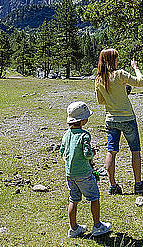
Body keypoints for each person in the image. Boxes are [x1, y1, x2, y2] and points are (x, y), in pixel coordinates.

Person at [95, 48, 143, 195]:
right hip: (127, 118)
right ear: (113, 60)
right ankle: (138, 184)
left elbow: (101, 101)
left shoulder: (99, 78)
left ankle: (113, 186)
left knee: (111, 151)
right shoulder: (120, 74)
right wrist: (136, 68)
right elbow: (141, 82)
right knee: (135, 151)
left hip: (111, 119)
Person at [60, 101, 111, 238]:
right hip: (84, 173)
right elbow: (87, 154)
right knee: (94, 197)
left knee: (73, 199)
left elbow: (61, 152)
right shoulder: (84, 135)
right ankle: (97, 226)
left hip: (70, 174)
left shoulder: (66, 135)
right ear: (82, 120)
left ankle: (74, 228)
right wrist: (93, 153)